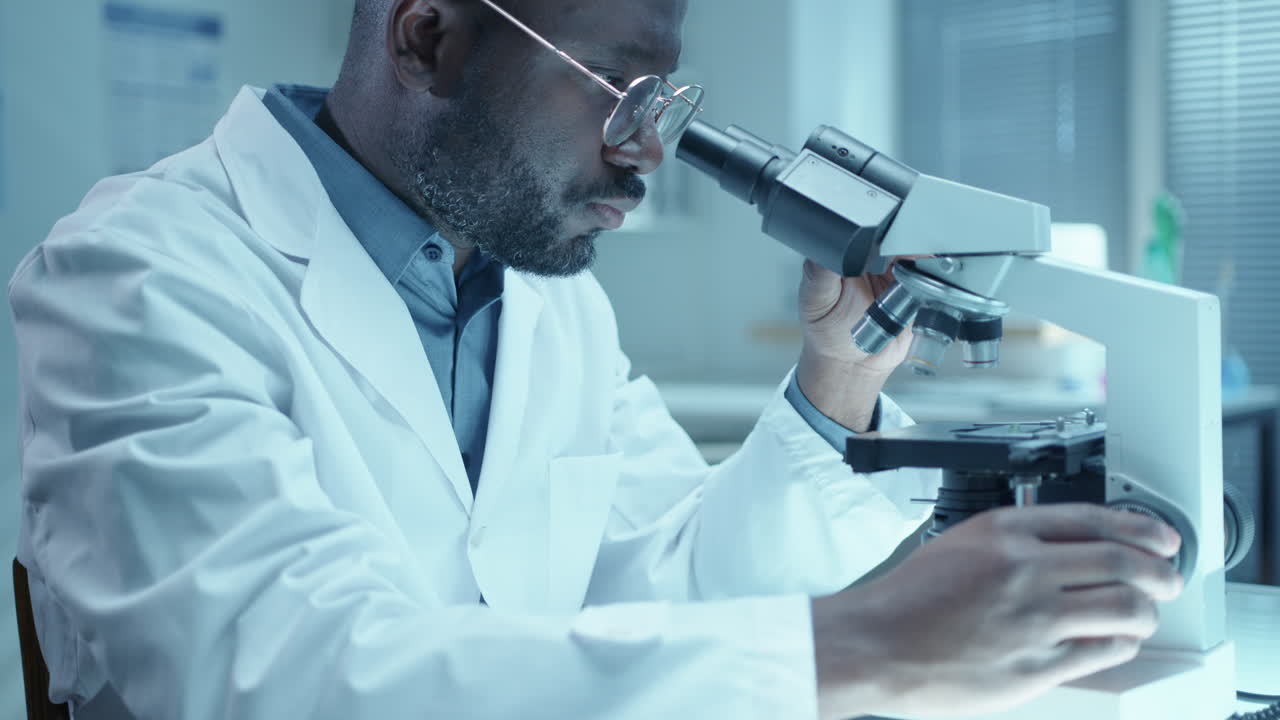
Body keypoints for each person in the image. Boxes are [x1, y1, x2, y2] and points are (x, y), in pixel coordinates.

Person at [9, 0, 1183, 718]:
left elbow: (665, 582)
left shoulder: (541, 295)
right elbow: (282, 681)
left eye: (662, 100)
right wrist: (867, 644)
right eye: (619, 92)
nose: (645, 156)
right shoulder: (137, 278)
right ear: (428, 37)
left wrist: (838, 378)